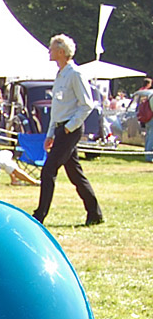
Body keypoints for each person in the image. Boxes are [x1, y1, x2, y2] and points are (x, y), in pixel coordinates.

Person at [32, 34, 103, 226]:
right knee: (75, 174)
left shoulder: (75, 74)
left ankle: (40, 215)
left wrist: (70, 128)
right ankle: (95, 213)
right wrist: (50, 133)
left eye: (52, 48)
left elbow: (87, 104)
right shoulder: (61, 74)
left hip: (70, 130)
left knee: (48, 171)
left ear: (61, 52)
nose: (49, 51)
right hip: (60, 129)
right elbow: (57, 109)